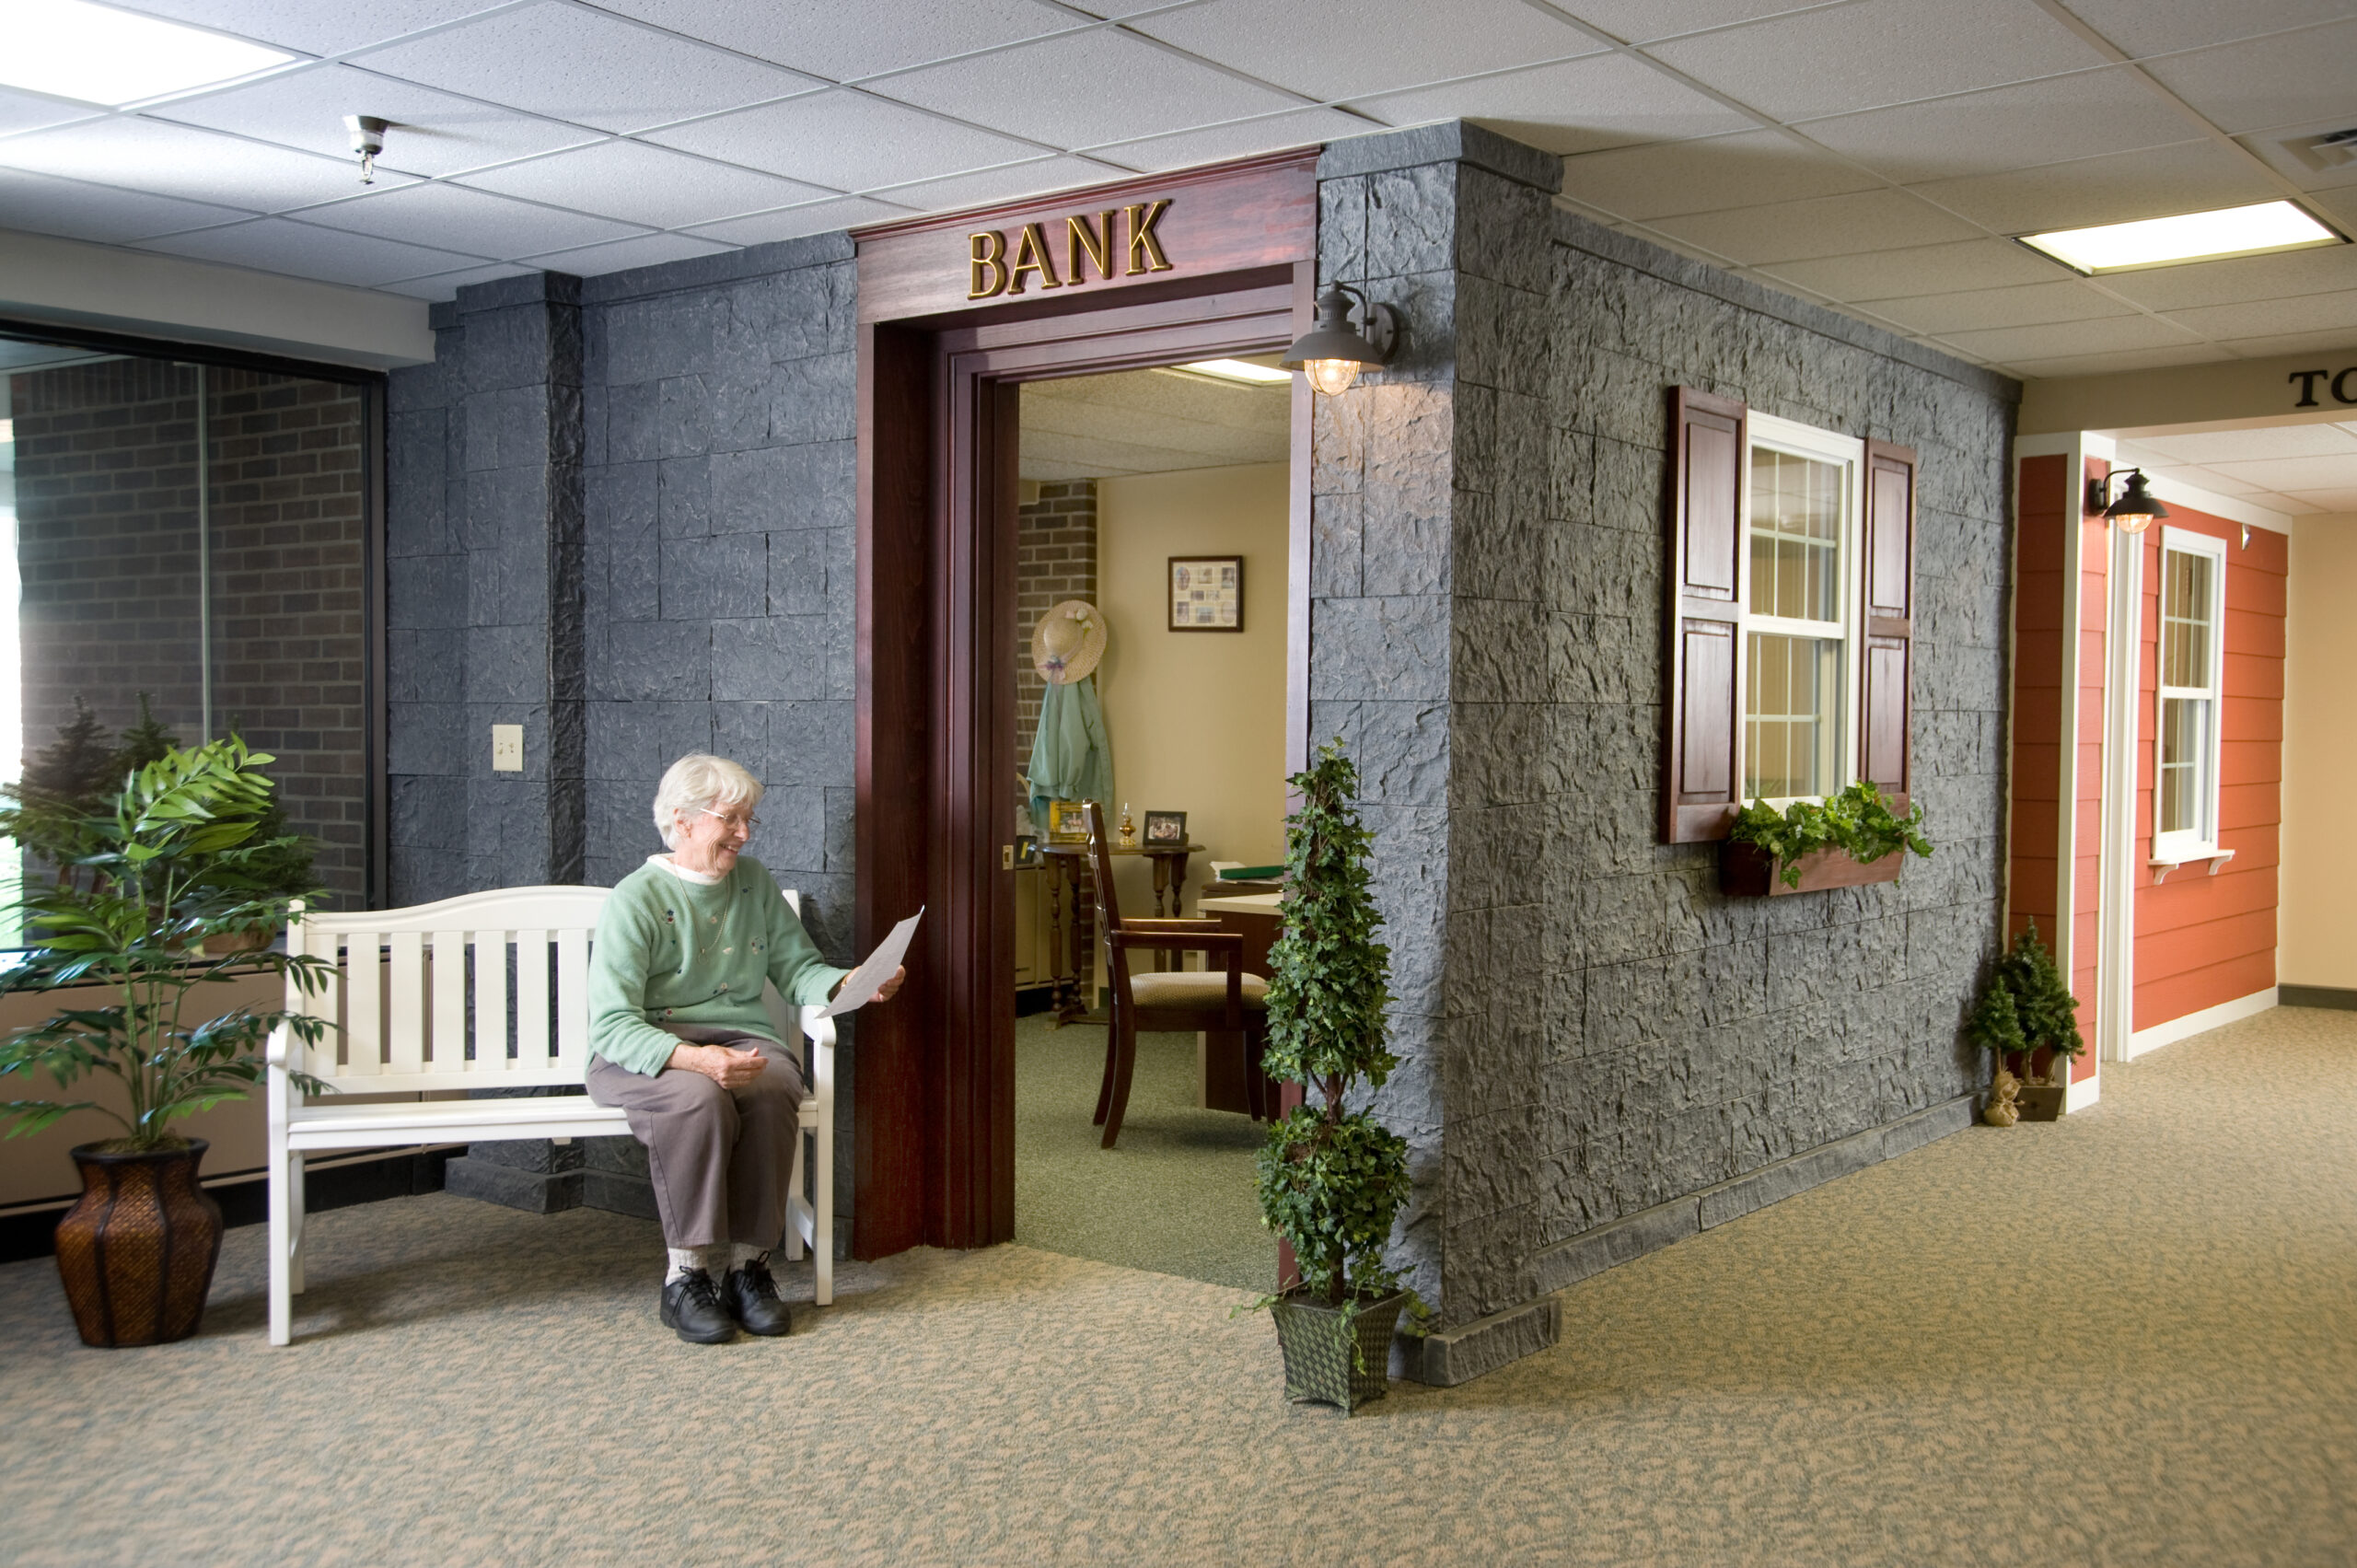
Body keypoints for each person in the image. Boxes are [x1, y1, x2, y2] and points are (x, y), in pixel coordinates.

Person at [586, 753, 903, 1344]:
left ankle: (748, 1271)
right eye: (730, 819)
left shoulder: (753, 882)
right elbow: (611, 1024)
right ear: (682, 821)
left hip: (739, 1039)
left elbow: (798, 969)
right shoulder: (635, 898)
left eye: (748, 820)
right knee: (698, 1098)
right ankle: (685, 1277)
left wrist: (851, 982)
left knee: (776, 1083)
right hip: (647, 1049)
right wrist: (696, 1060)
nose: (744, 833)